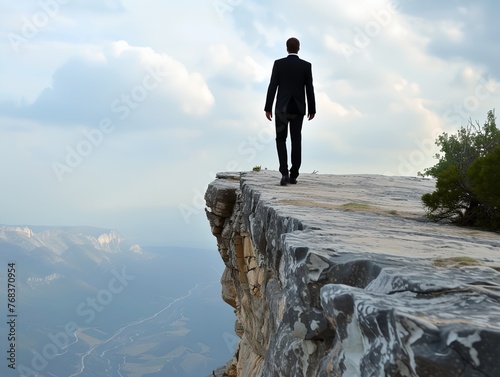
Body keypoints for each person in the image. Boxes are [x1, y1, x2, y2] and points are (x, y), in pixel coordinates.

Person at [264, 37, 316, 186]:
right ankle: (294, 175)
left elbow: (272, 86)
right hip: (298, 108)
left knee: (280, 139)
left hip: (282, 108)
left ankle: (284, 173)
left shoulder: (279, 64)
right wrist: (312, 109)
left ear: (287, 48)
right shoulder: (306, 66)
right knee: (296, 140)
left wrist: (268, 107)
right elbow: (309, 89)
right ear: (298, 48)